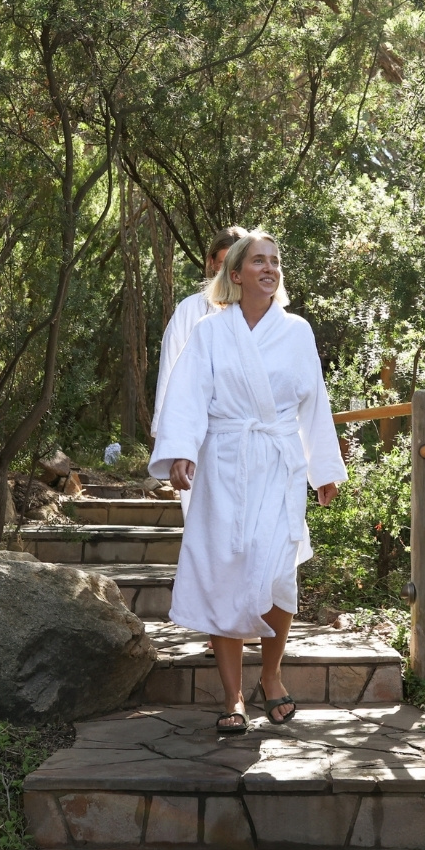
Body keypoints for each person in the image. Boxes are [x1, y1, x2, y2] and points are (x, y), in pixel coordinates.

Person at [149, 231, 346, 734]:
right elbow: (188, 394)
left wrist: (323, 468)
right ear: (234, 274)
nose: (270, 268)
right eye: (259, 260)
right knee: (227, 572)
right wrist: (179, 452)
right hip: (225, 462)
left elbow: (314, 402)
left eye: (275, 261)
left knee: (280, 571)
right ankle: (233, 696)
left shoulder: (297, 331)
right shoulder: (211, 332)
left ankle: (273, 676)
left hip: (278, 466)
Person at [151, 226, 247, 515]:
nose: (229, 272)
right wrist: (173, 442)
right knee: (204, 526)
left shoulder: (264, 315)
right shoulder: (190, 311)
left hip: (249, 439)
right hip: (199, 437)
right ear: (211, 264)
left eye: (237, 263)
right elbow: (170, 373)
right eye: (223, 264)